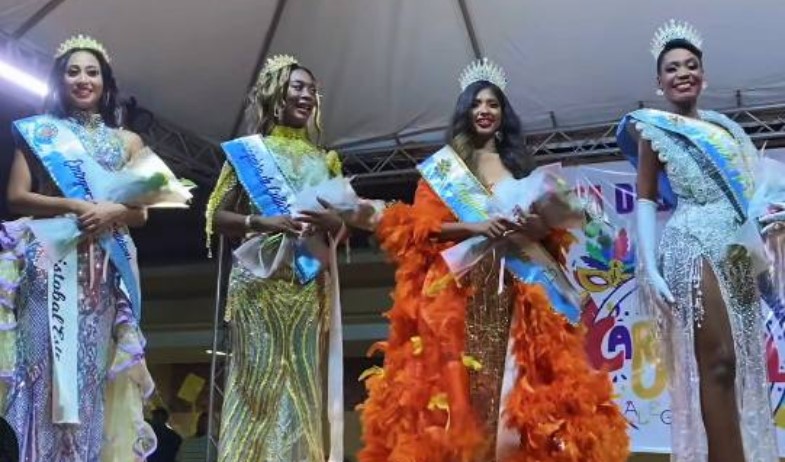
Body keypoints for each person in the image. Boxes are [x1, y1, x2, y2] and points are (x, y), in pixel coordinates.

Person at [358, 58, 629, 462]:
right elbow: (422, 228)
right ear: (465, 113)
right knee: (458, 391)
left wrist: (539, 225)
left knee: (514, 386)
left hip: (514, 291)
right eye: (476, 103)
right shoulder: (444, 171)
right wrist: (478, 226)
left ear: (503, 115)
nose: (484, 110)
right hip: (458, 293)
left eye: (493, 104)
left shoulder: (520, 167)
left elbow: (547, 229)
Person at [617, 19, 779, 462]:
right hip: (690, 243)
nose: (682, 73)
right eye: (672, 68)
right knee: (718, 360)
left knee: (741, 364)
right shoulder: (652, 128)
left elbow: (753, 190)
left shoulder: (727, 130)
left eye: (690, 65)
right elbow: (645, 199)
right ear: (659, 82)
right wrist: (650, 265)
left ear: (703, 75)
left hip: (737, 248)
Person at [0, 35, 158, 461]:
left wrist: (111, 212)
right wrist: (74, 205)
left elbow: (141, 213)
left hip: (100, 269)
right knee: (40, 368)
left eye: (92, 72)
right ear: (60, 80)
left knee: (88, 372)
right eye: (73, 72)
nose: (83, 79)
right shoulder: (38, 132)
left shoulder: (129, 142)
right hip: (48, 261)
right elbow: (16, 196)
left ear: (105, 83)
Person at [206, 54, 350, 462]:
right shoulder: (247, 153)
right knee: (255, 385)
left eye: (311, 89)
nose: (307, 95)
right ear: (275, 93)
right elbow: (216, 216)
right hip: (257, 285)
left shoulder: (326, 160)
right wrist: (261, 221)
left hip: (306, 283)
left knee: (302, 386)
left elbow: (341, 227)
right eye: (297, 87)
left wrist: (334, 222)